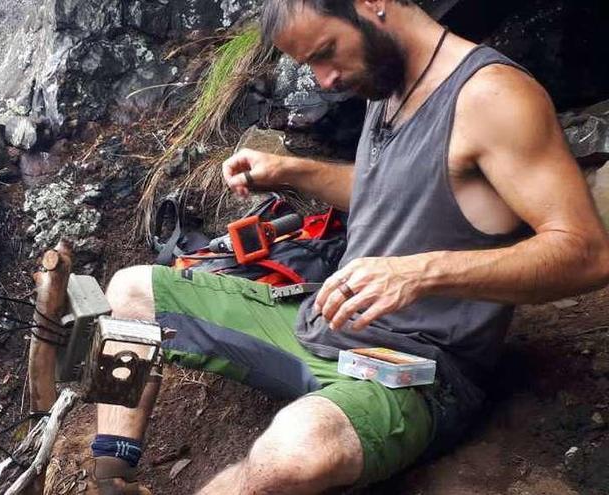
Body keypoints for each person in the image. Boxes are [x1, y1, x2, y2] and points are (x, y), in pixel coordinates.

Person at [89, 1, 609, 493]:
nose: (324, 80)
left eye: (323, 53)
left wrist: (420, 273)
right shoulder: (389, 83)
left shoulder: (492, 96)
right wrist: (294, 170)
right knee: (131, 291)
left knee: (292, 452)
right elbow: (402, 189)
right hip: (323, 320)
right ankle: (111, 478)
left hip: (419, 370)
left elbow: (585, 253)